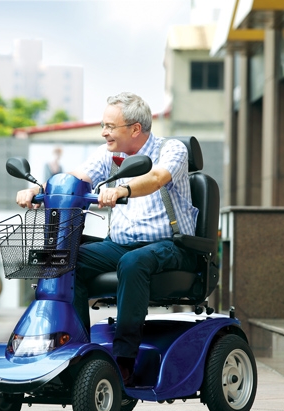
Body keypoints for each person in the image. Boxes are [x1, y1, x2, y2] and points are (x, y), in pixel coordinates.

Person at [17, 92, 198, 385]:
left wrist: (122, 190)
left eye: (110, 126)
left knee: (133, 262)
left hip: (174, 246)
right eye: (104, 125)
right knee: (67, 259)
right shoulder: (108, 156)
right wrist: (40, 191)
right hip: (121, 245)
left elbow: (155, 179)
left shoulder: (171, 149)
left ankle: (125, 359)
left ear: (135, 129)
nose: (104, 132)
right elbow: (75, 177)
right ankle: (77, 351)